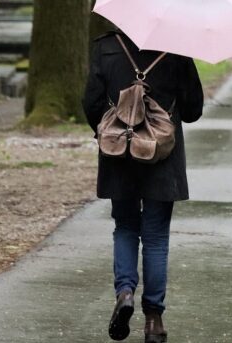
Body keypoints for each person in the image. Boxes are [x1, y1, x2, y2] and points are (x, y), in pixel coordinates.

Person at [83, 30, 203, 343]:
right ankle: (154, 320)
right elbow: (193, 110)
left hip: (118, 153)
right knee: (155, 236)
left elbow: (91, 103)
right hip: (162, 157)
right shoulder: (177, 48)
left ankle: (124, 292)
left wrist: (116, 125)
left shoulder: (106, 47)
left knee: (124, 226)